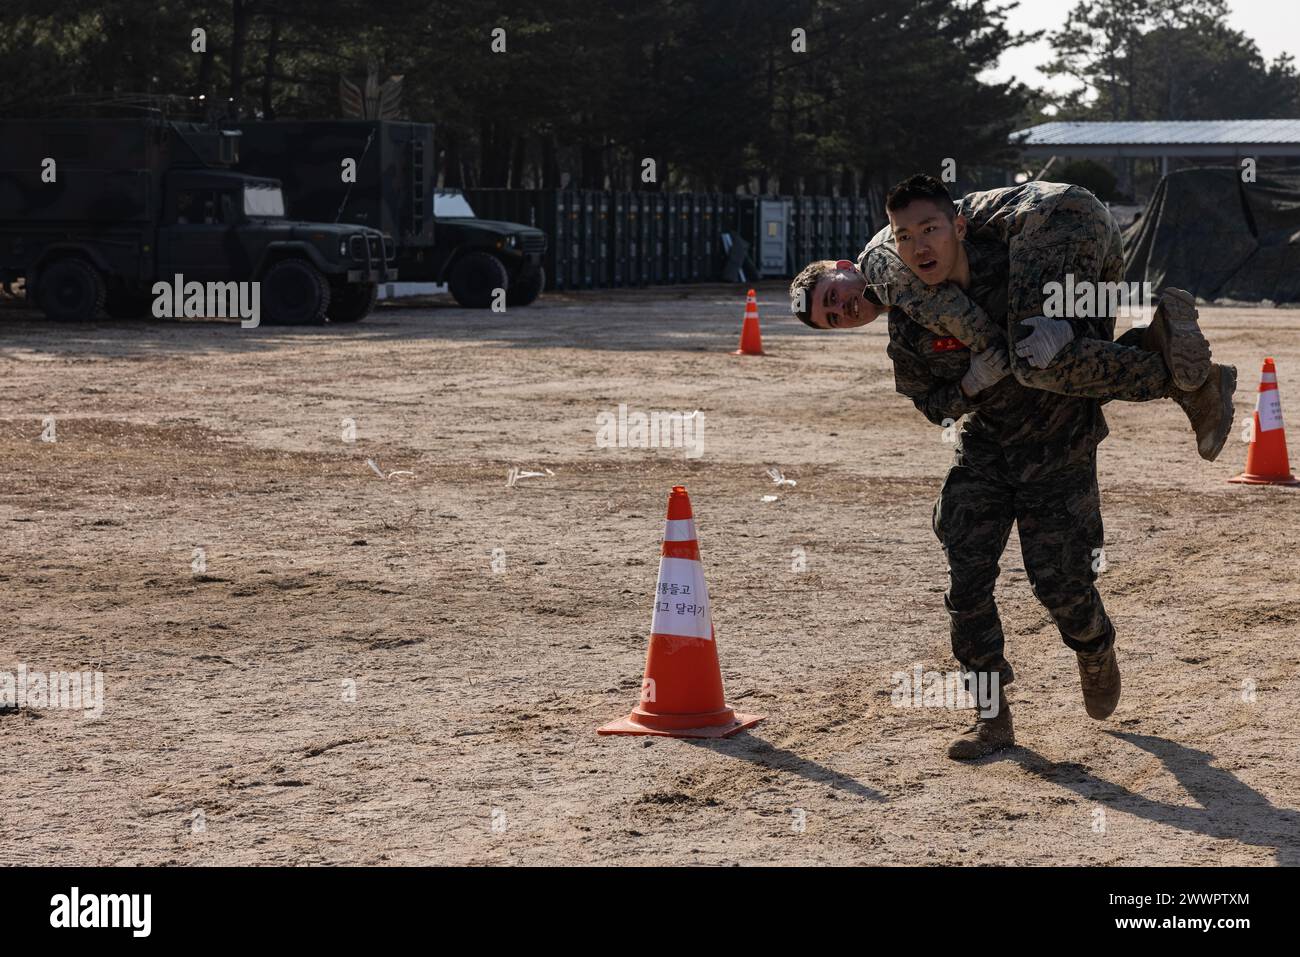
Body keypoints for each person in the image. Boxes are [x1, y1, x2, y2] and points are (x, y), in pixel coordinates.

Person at [790, 175, 1236, 461]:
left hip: (1050, 224)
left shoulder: (882, 265)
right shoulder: (906, 266)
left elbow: (948, 310)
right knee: (1077, 378)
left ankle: (1196, 384)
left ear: (843, 267)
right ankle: (1160, 337)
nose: (843, 310)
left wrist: (997, 354)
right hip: (1086, 221)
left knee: (1032, 359)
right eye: (832, 318)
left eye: (834, 295)